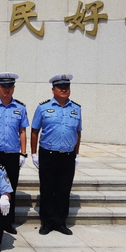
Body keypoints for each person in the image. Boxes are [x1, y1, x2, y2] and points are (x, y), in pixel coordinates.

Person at [30, 74, 82, 236]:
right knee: (47, 189)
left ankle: (60, 222)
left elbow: (78, 132)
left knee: (63, 190)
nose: (64, 89)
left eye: (66, 87)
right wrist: (33, 153)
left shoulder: (76, 108)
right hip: (48, 154)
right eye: (60, 87)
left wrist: (77, 154)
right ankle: (46, 222)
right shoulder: (43, 108)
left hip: (67, 155)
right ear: (53, 90)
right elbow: (34, 131)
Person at [0, 72, 29, 235]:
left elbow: (22, 131)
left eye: (9, 87)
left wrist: (23, 154)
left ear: (13, 88)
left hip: (12, 154)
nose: (6, 90)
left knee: (11, 187)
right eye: (3, 87)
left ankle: (8, 221)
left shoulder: (20, 108)